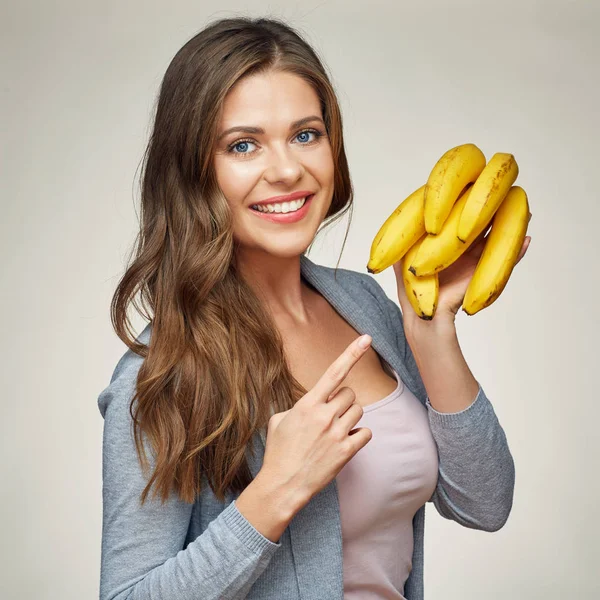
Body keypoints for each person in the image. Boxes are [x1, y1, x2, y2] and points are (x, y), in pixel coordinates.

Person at [98, 15, 528, 600]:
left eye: (306, 134)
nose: (287, 170)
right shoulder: (163, 371)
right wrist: (274, 492)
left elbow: (485, 502)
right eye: (243, 145)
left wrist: (431, 331)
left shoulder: (363, 304)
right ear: (195, 170)